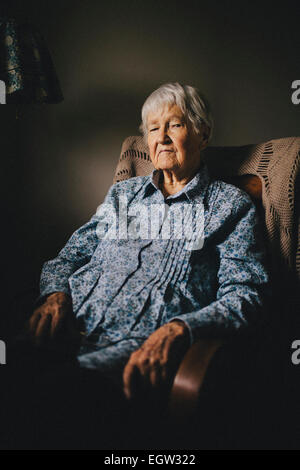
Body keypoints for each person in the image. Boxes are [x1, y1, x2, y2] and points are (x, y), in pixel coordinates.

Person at [7, 82, 270, 448]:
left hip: (131, 350)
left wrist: (179, 329)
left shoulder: (231, 207)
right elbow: (68, 257)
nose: (161, 137)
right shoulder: (123, 195)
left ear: (203, 133)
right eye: (152, 128)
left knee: (53, 399)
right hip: (64, 328)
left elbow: (246, 294)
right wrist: (53, 295)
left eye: (174, 125)